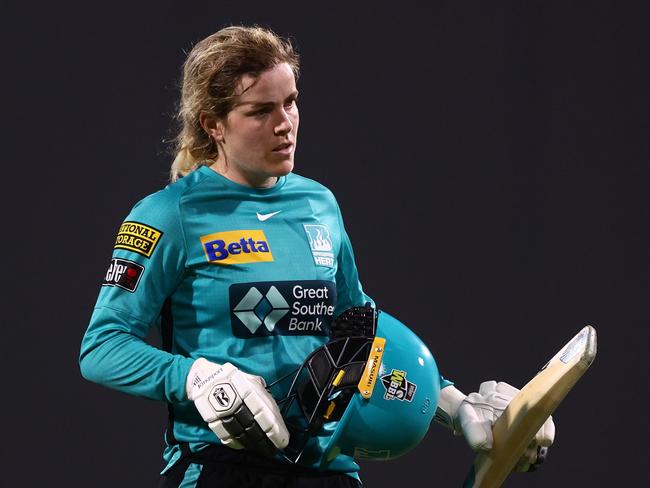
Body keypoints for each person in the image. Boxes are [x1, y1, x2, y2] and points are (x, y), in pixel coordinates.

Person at [80, 25, 554, 487]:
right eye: (260, 111)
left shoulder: (318, 204)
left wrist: (450, 402)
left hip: (327, 468)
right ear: (213, 124)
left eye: (290, 102)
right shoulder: (169, 215)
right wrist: (197, 378)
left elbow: (357, 325)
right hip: (219, 468)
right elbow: (102, 347)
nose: (284, 124)